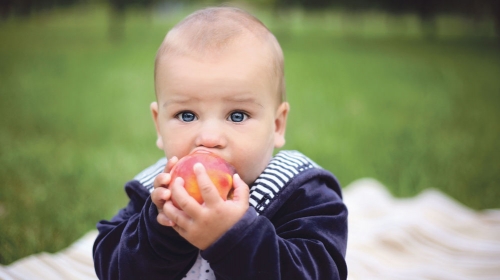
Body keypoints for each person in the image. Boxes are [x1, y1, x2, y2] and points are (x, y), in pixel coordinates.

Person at [93, 6, 348, 280]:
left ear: (277, 125)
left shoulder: (302, 195)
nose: (209, 137)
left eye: (237, 115)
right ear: (159, 124)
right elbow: (111, 266)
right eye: (186, 115)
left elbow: (320, 272)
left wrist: (235, 237)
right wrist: (162, 231)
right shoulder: (154, 195)